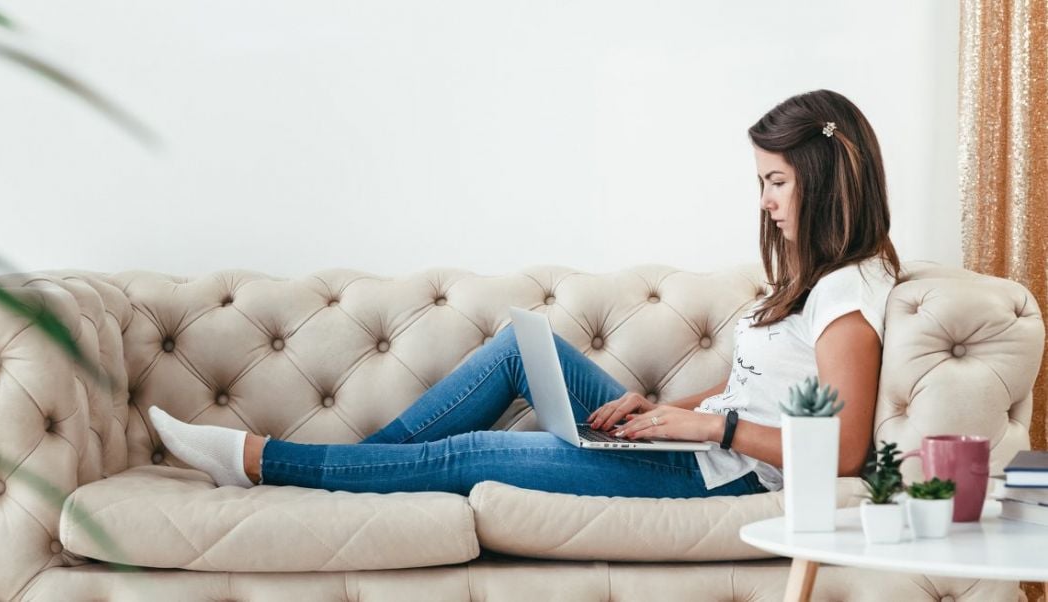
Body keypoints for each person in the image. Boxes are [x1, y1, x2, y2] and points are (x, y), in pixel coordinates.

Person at [149, 88, 901, 499]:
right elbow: (759, 385)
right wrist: (674, 407)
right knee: (517, 350)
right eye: (761, 183)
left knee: (475, 453)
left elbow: (841, 452)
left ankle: (264, 463)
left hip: (720, 476)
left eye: (776, 181)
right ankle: (338, 479)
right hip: (703, 445)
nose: (766, 201)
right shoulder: (813, 280)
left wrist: (710, 432)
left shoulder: (848, 297)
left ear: (825, 178)